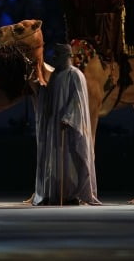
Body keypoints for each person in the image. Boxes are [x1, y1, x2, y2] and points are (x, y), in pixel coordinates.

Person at [32, 44, 101, 206]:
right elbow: (48, 98)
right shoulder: (55, 75)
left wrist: (69, 118)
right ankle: (55, 193)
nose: (54, 59)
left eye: (57, 55)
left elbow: (78, 101)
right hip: (54, 127)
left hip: (68, 127)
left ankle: (72, 193)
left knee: (70, 159)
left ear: (66, 56)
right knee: (54, 159)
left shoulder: (75, 75)